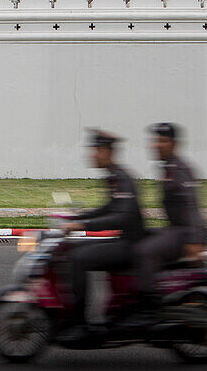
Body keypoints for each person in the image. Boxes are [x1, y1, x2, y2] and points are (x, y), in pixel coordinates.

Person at [63, 129, 146, 332]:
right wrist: (76, 217)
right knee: (70, 251)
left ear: (108, 152)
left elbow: (122, 216)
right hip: (124, 241)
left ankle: (78, 321)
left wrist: (83, 225)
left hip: (130, 245)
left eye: (97, 150)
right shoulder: (114, 176)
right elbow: (108, 208)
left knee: (79, 258)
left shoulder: (122, 178)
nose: (92, 155)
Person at [131, 122, 207, 320]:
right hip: (176, 230)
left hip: (185, 232)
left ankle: (148, 306)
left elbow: (192, 206)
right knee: (137, 240)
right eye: (155, 140)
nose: (156, 145)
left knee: (144, 251)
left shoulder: (179, 170)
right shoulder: (168, 168)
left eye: (162, 141)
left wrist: (195, 240)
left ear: (174, 144)